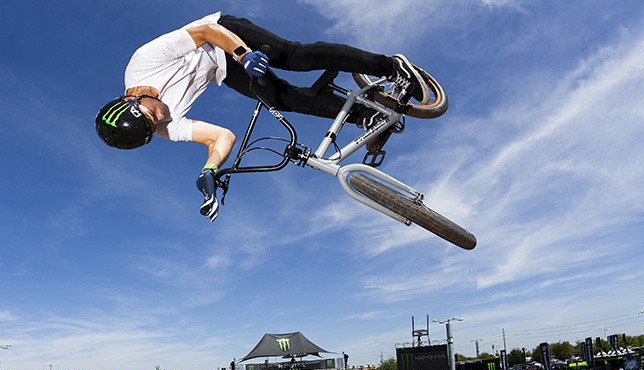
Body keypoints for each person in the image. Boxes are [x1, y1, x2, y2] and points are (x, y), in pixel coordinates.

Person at [95, 13, 431, 221]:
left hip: (226, 36)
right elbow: (221, 137)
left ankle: (390, 66)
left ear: (131, 98)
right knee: (279, 97)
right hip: (223, 69)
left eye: (153, 114)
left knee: (292, 56)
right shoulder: (164, 128)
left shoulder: (144, 61)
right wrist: (209, 170)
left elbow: (205, 32)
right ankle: (364, 116)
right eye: (156, 126)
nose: (162, 116)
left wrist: (243, 54)